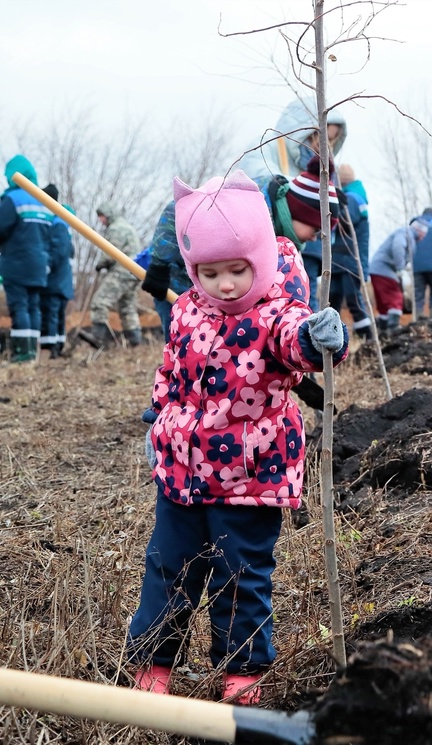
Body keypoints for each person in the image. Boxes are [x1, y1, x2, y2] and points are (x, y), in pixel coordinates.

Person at [127, 169, 349, 705]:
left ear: (260, 260)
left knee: (241, 572)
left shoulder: (275, 311)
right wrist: (160, 410)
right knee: (168, 566)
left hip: (250, 474)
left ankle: (243, 668)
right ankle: (154, 660)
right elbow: (172, 369)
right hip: (182, 466)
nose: (225, 285)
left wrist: (321, 339)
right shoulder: (185, 309)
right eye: (209, 272)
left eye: (236, 270)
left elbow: (295, 341)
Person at [141, 155, 341, 341]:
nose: (315, 238)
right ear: (301, 213)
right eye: (316, 230)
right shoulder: (252, 206)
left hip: (226, 293)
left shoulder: (283, 235)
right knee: (186, 339)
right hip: (182, 278)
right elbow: (181, 209)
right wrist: (159, 265)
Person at [236, 97, 348, 307]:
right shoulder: (269, 144)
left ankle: (305, 332)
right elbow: (258, 174)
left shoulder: (324, 167)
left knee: (305, 294)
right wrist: (298, 187)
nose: (322, 145)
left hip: (307, 247)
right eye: (317, 137)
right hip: (272, 242)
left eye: (330, 141)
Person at [0, 155, 51, 363]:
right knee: (33, 307)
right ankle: (32, 353)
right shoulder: (44, 201)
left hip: (17, 263)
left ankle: (22, 354)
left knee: (19, 306)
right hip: (39, 265)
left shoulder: (12, 199)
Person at [83, 201, 143, 348]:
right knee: (127, 306)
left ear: (108, 214)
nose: (100, 220)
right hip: (135, 273)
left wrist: (100, 264)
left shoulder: (116, 228)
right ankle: (135, 341)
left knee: (100, 301)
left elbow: (110, 252)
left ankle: (97, 337)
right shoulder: (128, 226)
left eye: (101, 216)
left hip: (122, 271)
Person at [327, 163, 374, 343]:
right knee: (333, 301)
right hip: (339, 260)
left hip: (350, 260)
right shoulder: (350, 196)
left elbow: (345, 223)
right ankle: (333, 339)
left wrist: (334, 209)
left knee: (353, 299)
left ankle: (368, 338)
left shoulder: (352, 198)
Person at [369, 218, 427, 335]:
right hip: (384, 269)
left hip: (377, 269)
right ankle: (393, 329)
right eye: (424, 232)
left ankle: (382, 332)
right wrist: (400, 268)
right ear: (419, 230)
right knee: (395, 299)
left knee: (384, 305)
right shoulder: (406, 233)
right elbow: (398, 246)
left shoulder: (407, 234)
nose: (424, 236)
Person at [39, 184, 76, 358]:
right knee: (56, 315)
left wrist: (45, 266)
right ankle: (57, 347)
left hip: (55, 279)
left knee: (51, 314)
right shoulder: (62, 221)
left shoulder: (57, 222)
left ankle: (51, 350)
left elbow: (60, 250)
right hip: (62, 279)